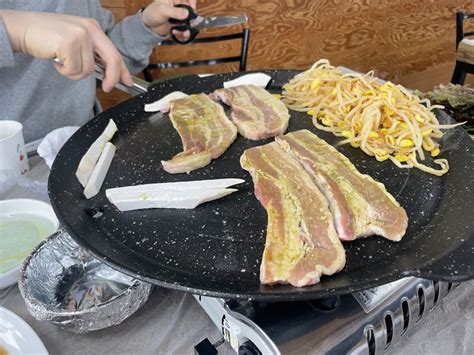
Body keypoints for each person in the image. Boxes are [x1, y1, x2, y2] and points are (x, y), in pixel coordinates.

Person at [0, 0, 196, 143]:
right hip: (13, 172)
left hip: (87, 142)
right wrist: (13, 32)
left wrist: (145, 27)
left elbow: (102, 64)